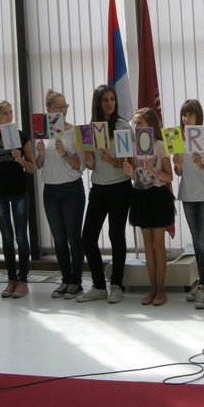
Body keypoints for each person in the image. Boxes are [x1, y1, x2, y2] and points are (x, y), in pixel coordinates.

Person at [77, 85, 133, 303]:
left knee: (116, 235)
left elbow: (131, 162)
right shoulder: (90, 129)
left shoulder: (122, 126)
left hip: (120, 187)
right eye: (105, 100)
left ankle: (117, 284)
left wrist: (113, 160)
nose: (110, 103)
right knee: (87, 237)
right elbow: (91, 164)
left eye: (112, 99)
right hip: (99, 187)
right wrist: (89, 161)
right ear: (98, 103)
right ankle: (99, 285)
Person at [35, 89, 86, 300]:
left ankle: (77, 281)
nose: (63, 110)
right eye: (59, 107)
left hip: (72, 188)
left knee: (74, 237)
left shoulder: (75, 132)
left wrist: (64, 153)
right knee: (59, 239)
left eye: (65, 106)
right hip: (51, 190)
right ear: (48, 109)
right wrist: (40, 153)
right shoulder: (42, 132)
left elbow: (80, 166)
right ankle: (65, 279)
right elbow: (38, 165)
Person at [0, 99, 35, 299]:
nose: (9, 116)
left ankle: (23, 280)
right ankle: (11, 279)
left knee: (21, 236)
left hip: (19, 190)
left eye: (11, 112)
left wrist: (20, 159)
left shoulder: (20, 135)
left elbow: (32, 168)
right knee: (6, 237)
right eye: (5, 113)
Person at [124, 108, 175, 306]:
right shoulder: (132, 145)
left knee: (158, 244)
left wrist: (154, 171)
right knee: (147, 245)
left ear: (151, 125)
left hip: (157, 196)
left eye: (140, 123)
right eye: (135, 123)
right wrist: (130, 172)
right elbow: (136, 176)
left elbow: (169, 177)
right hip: (140, 196)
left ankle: (161, 289)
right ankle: (152, 288)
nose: (136, 126)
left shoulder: (160, 145)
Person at [174, 99, 204, 310]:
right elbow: (178, 172)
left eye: (190, 114)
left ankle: (203, 284)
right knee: (197, 240)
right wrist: (177, 165)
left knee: (202, 240)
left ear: (198, 116)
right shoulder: (178, 139)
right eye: (184, 115)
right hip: (188, 195)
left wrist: (202, 165)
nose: (186, 118)